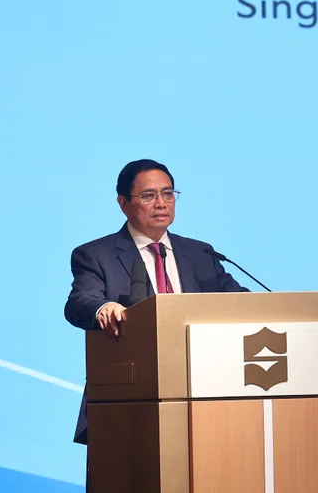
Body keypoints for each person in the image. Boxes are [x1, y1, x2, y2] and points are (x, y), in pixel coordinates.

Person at [64, 159, 248, 486]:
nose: (161, 203)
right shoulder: (96, 255)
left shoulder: (200, 254)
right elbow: (80, 302)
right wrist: (103, 308)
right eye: (148, 195)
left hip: (205, 399)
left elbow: (241, 301)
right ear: (123, 203)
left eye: (168, 193)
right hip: (126, 407)